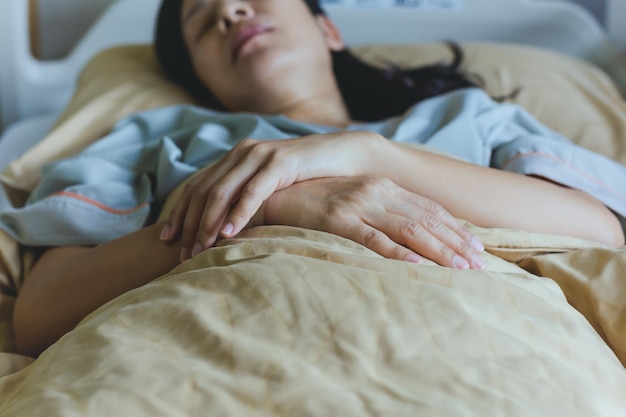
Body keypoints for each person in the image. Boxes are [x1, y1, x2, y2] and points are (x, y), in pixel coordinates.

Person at [10, 0, 625, 357]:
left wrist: (371, 159)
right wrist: (263, 209)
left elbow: (600, 230)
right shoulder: (159, 143)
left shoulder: (468, 120)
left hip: (481, 339)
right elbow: (39, 312)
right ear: (199, 79)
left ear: (327, 29)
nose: (229, 9)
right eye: (201, 21)